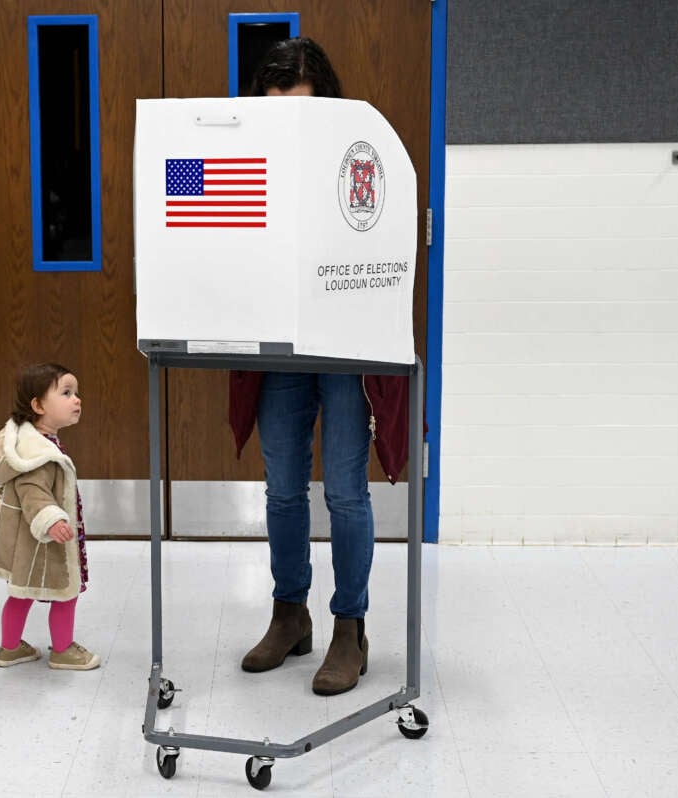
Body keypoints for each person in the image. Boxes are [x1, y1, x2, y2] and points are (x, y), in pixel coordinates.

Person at [231, 37, 412, 696]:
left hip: (344, 345)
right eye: (275, 110)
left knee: (342, 490)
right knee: (282, 486)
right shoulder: (245, 159)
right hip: (278, 344)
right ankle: (290, 613)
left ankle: (350, 628)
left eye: (301, 110)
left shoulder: (358, 159)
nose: (288, 127)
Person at [0, 363, 99, 671]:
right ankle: (63, 650)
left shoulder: (31, 443)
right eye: (66, 393)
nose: (77, 400)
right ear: (38, 405)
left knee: (21, 592)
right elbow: (32, 491)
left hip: (30, 542)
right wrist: (53, 520)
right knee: (66, 592)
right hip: (45, 539)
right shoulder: (38, 452)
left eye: (76, 393)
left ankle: (10, 648)